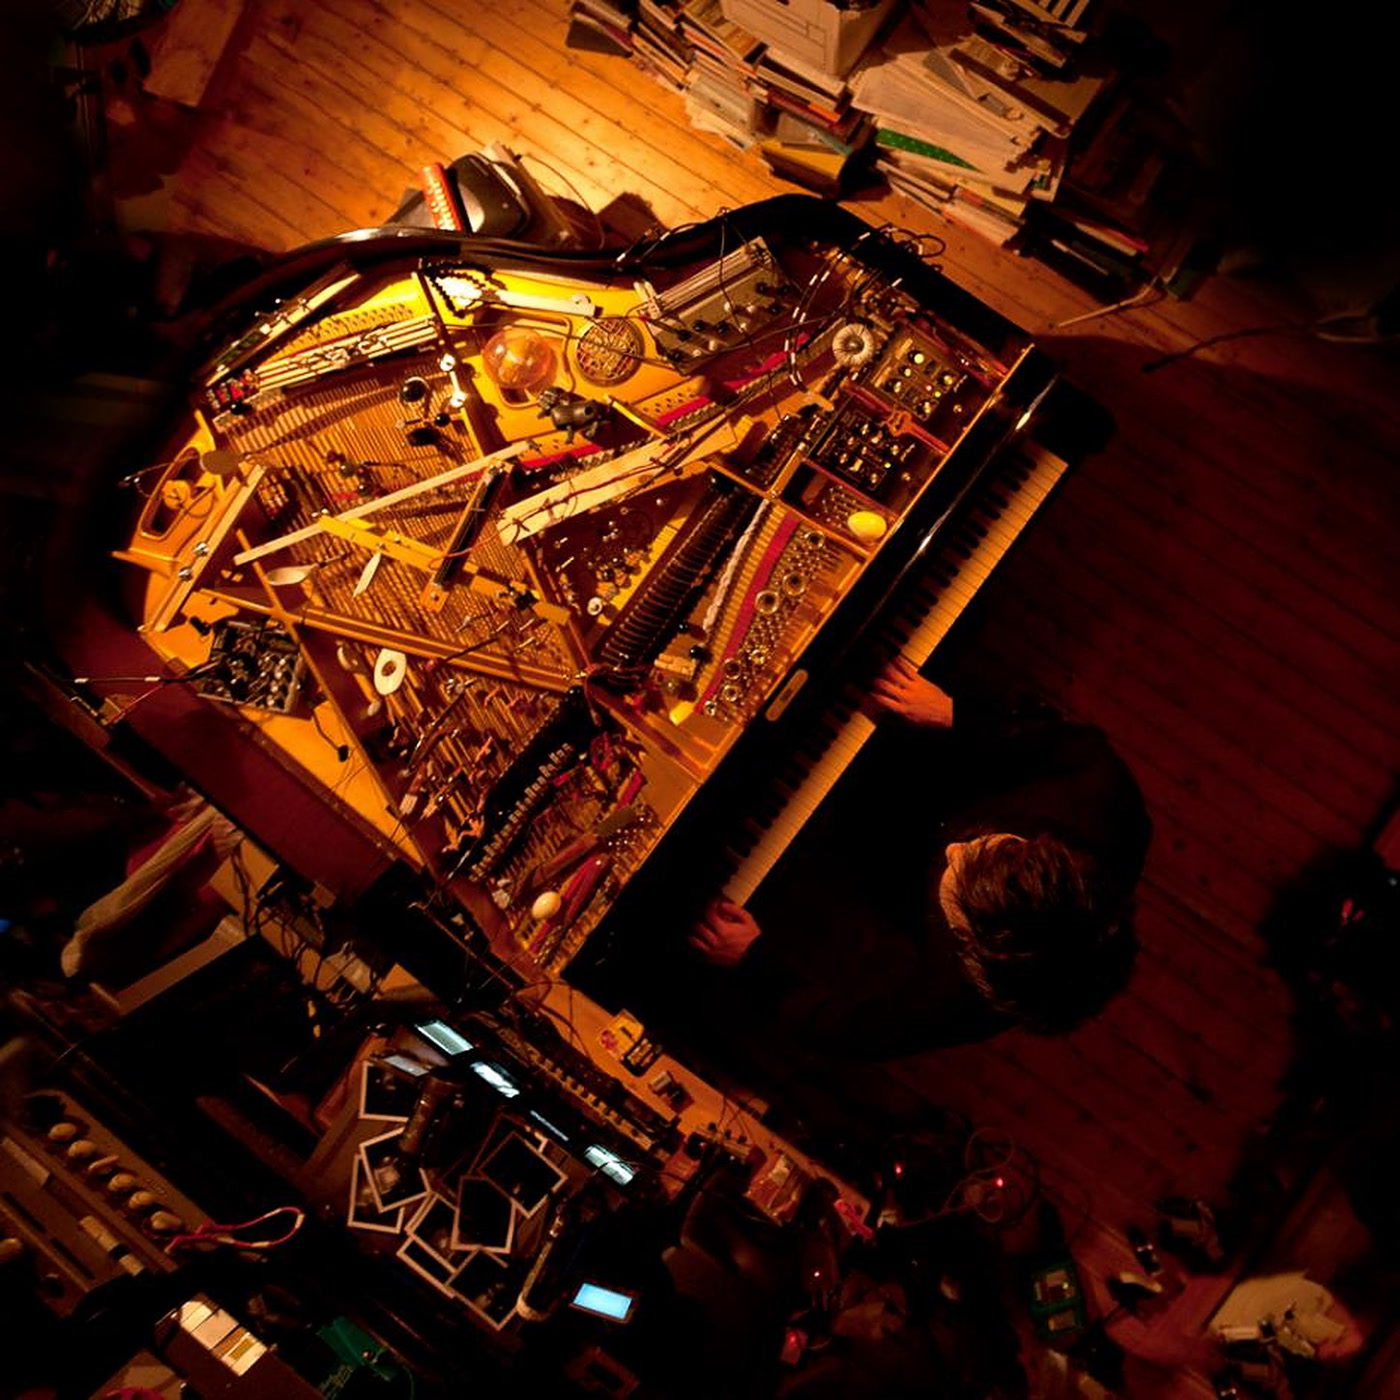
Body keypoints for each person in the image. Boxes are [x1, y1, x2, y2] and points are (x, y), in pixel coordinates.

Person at [687, 658, 1152, 1063]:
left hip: (880, 852)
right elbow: (1058, 740)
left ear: (967, 947)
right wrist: (955, 713)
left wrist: (753, 962)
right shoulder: (1104, 800)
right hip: (938, 762)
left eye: (953, 887)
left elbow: (852, 1033)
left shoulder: (968, 995)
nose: (952, 850)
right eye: (982, 847)